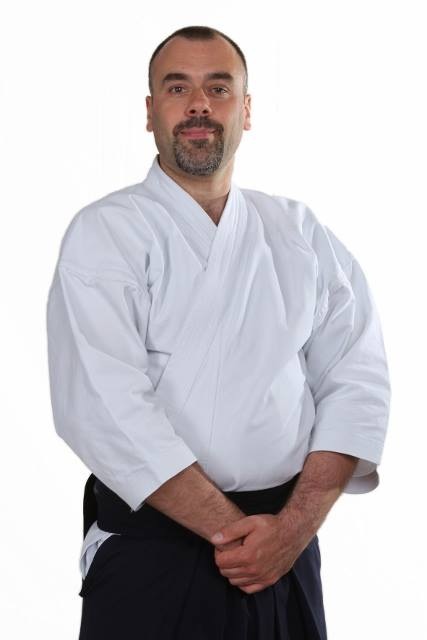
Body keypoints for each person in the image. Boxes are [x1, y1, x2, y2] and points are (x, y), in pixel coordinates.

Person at [46, 25, 391, 640]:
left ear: (247, 110)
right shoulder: (106, 233)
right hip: (154, 553)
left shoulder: (299, 231)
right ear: (150, 111)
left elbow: (356, 379)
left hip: (285, 548)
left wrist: (290, 532)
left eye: (219, 87)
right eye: (178, 88)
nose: (199, 104)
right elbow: (103, 405)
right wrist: (239, 536)